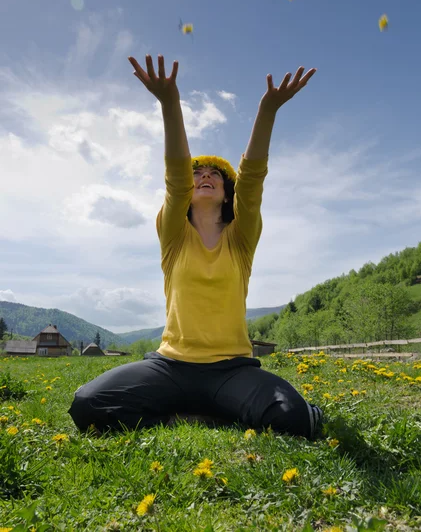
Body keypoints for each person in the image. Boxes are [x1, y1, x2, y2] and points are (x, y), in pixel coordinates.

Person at [68, 55, 322, 439]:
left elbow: (252, 181)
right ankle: (197, 414)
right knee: (87, 404)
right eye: (198, 173)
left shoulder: (241, 240)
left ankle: (215, 408)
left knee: (296, 420)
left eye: (215, 175)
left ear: (225, 194)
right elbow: (175, 177)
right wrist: (169, 102)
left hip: (231, 369)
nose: (205, 176)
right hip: (170, 366)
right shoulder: (173, 236)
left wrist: (267, 110)